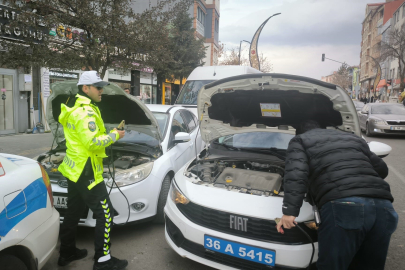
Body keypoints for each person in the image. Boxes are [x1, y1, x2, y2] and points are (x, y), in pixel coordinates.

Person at [276, 120, 398, 270]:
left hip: (346, 207)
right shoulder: (354, 139)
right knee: (370, 265)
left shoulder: (300, 140)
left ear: (299, 132)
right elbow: (382, 170)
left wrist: (289, 212)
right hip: (384, 207)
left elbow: (296, 175)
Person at [57, 71, 128, 270]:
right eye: (98, 87)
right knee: (105, 215)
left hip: (73, 169)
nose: (102, 90)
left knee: (73, 212)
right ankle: (103, 260)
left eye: (101, 86)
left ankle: (67, 252)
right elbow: (93, 143)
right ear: (85, 88)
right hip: (87, 171)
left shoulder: (73, 107)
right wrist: (115, 135)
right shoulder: (86, 112)